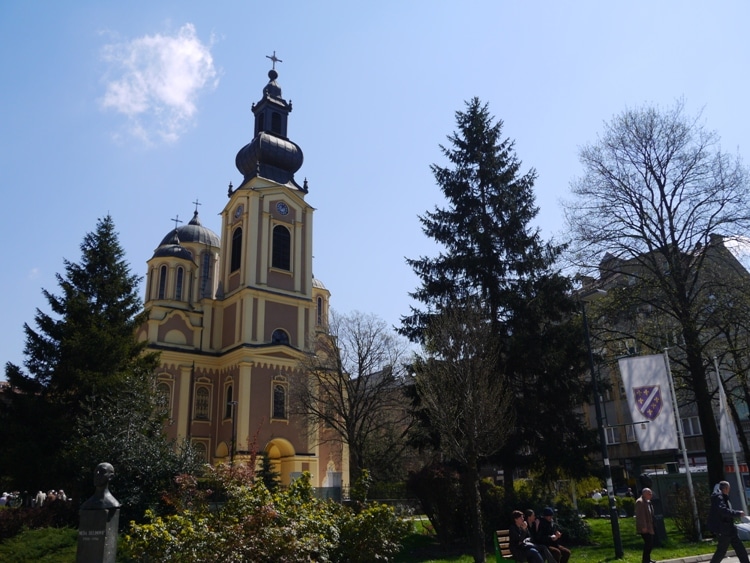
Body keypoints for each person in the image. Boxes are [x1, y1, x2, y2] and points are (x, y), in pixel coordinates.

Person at [708, 481, 750, 563]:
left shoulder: (722, 497)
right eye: (729, 489)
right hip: (723, 529)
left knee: (740, 549)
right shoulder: (718, 497)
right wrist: (737, 513)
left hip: (729, 528)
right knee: (721, 551)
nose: (729, 491)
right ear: (726, 488)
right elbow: (723, 511)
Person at [635, 488, 656, 563]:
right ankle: (645, 560)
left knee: (650, 543)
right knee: (648, 543)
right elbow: (641, 516)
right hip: (645, 527)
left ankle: (647, 559)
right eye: (649, 493)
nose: (651, 495)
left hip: (650, 526)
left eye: (651, 493)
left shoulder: (648, 501)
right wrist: (643, 527)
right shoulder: (640, 502)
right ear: (644, 494)